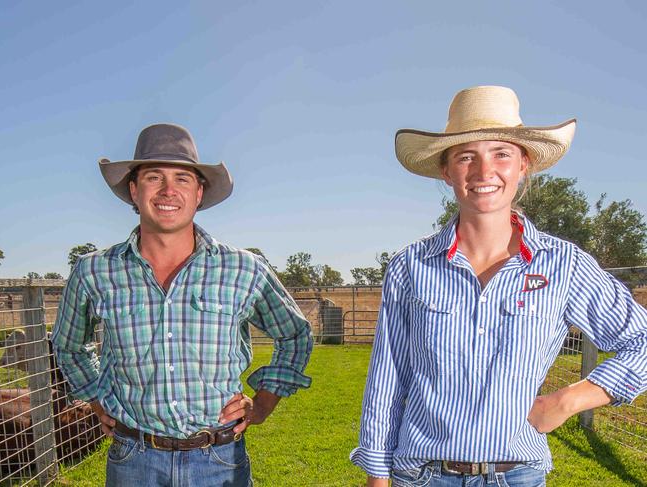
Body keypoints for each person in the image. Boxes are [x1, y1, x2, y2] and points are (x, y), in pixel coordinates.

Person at [350, 86, 647, 486]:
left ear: (524, 164)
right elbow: (387, 378)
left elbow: (641, 341)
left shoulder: (563, 264)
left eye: (501, 153)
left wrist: (568, 400)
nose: (483, 171)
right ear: (446, 170)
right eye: (466, 156)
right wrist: (377, 474)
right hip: (423, 476)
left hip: (517, 475)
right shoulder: (411, 266)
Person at [52, 123, 313, 487]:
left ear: (199, 193)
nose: (168, 190)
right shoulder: (94, 271)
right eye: (153, 177)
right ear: (133, 190)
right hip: (133, 460)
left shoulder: (243, 268)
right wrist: (96, 398)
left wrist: (264, 403)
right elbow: (68, 345)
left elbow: (295, 334)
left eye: (182, 178)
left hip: (220, 459)